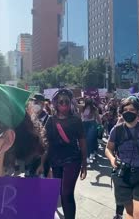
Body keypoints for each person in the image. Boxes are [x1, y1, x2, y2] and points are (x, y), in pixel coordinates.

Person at [42, 89, 87, 219]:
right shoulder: (50, 120)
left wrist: (84, 162)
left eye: (66, 101)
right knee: (61, 194)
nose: (64, 104)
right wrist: (42, 163)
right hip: (55, 160)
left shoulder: (76, 120)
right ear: (55, 103)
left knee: (67, 193)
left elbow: (83, 141)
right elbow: (46, 143)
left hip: (73, 159)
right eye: (61, 101)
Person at [81, 98, 101, 164]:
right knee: (86, 141)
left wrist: (100, 125)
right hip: (84, 125)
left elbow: (98, 117)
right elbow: (80, 116)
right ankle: (89, 154)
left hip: (92, 124)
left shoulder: (94, 109)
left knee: (90, 140)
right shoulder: (82, 108)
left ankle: (89, 155)